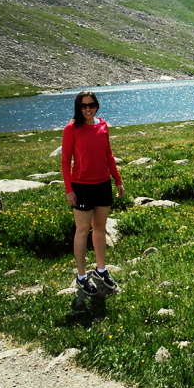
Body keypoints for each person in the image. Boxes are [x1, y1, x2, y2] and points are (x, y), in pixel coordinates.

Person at [61, 91, 125, 296]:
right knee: (81, 231)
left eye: (91, 105)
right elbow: (65, 161)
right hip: (81, 186)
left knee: (100, 228)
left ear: (97, 105)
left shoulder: (103, 125)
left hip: (103, 184)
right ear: (78, 108)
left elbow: (108, 154)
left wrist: (118, 180)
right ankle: (81, 277)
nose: (87, 109)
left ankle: (100, 270)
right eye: (83, 106)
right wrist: (69, 190)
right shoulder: (72, 129)